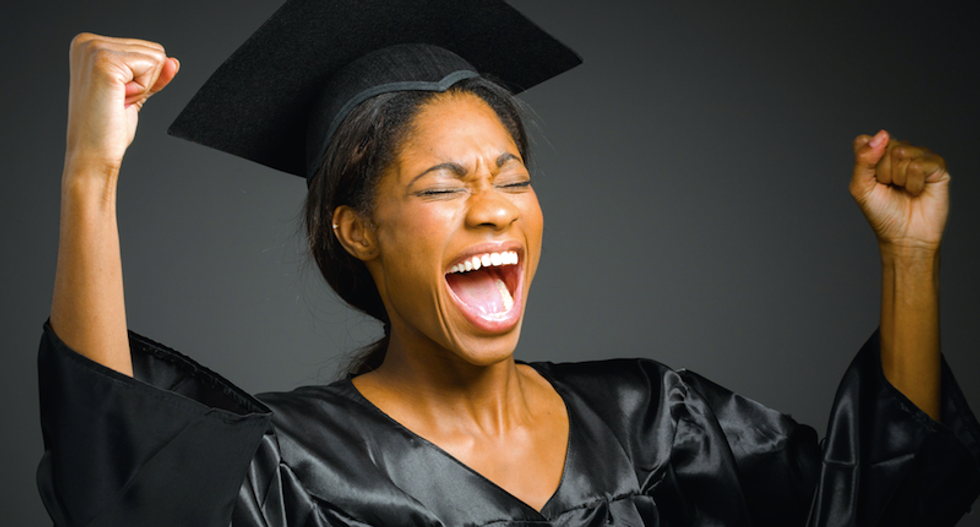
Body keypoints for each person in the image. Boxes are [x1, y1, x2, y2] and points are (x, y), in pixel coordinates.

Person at [38, 0, 980, 526]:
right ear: (356, 229)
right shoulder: (296, 464)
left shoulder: (659, 422)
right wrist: (91, 172)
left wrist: (909, 259)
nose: (493, 205)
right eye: (443, 186)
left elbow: (885, 502)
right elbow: (117, 475)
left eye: (511, 176)